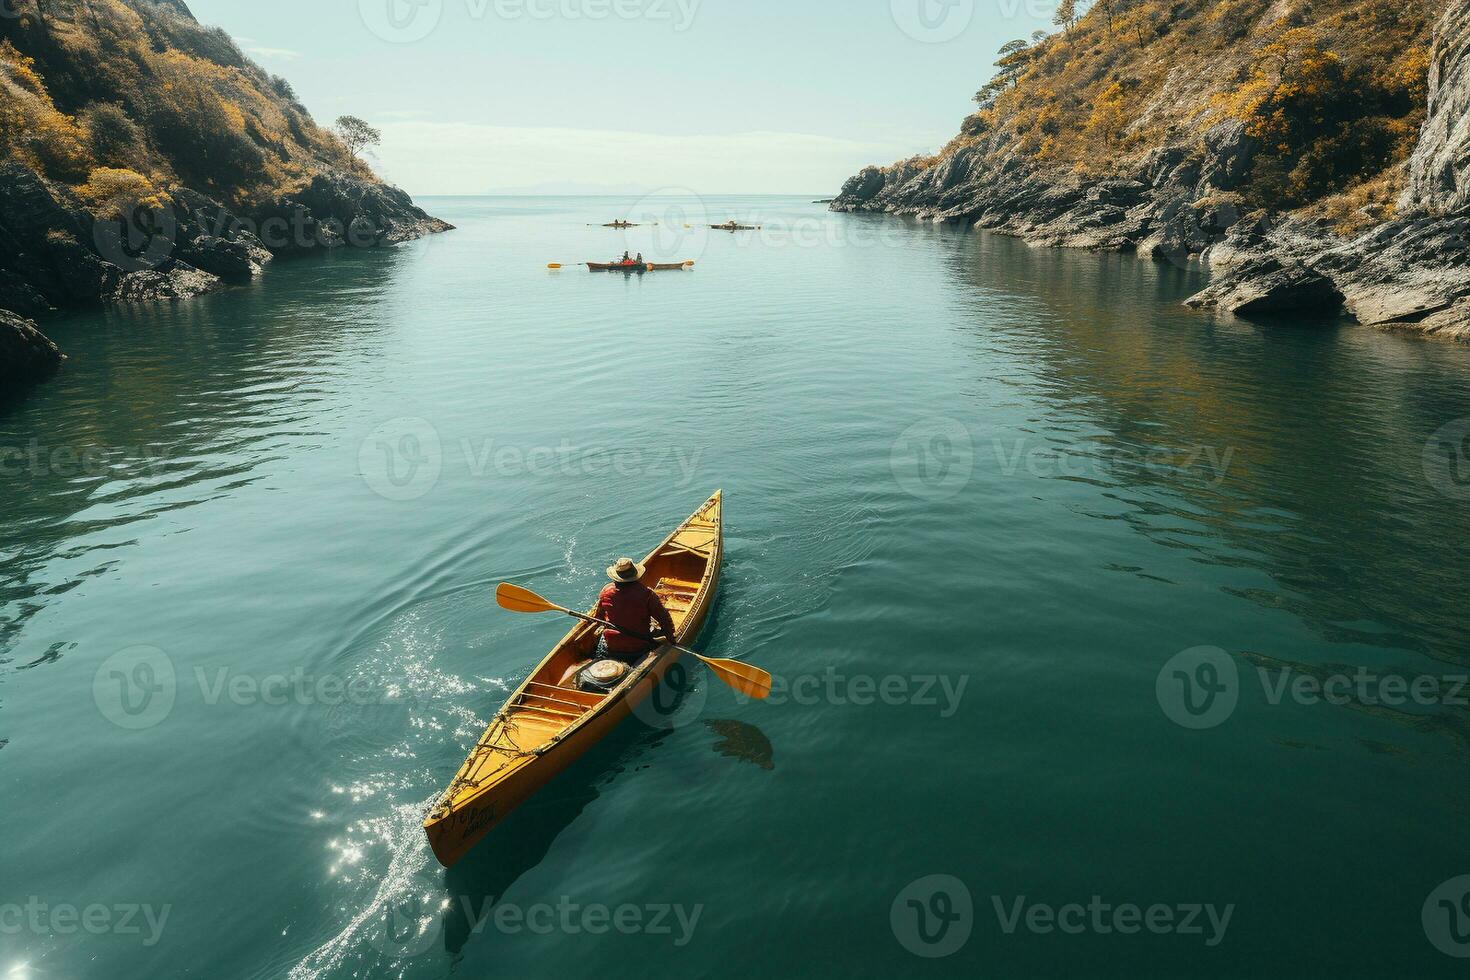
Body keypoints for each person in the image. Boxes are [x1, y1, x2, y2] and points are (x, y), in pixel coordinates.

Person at [594, 557, 674, 664]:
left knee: (603, 640)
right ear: (635, 576)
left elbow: (598, 617)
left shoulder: (606, 591)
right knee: (655, 633)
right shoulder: (647, 595)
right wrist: (670, 637)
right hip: (639, 647)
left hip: (612, 646)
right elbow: (664, 618)